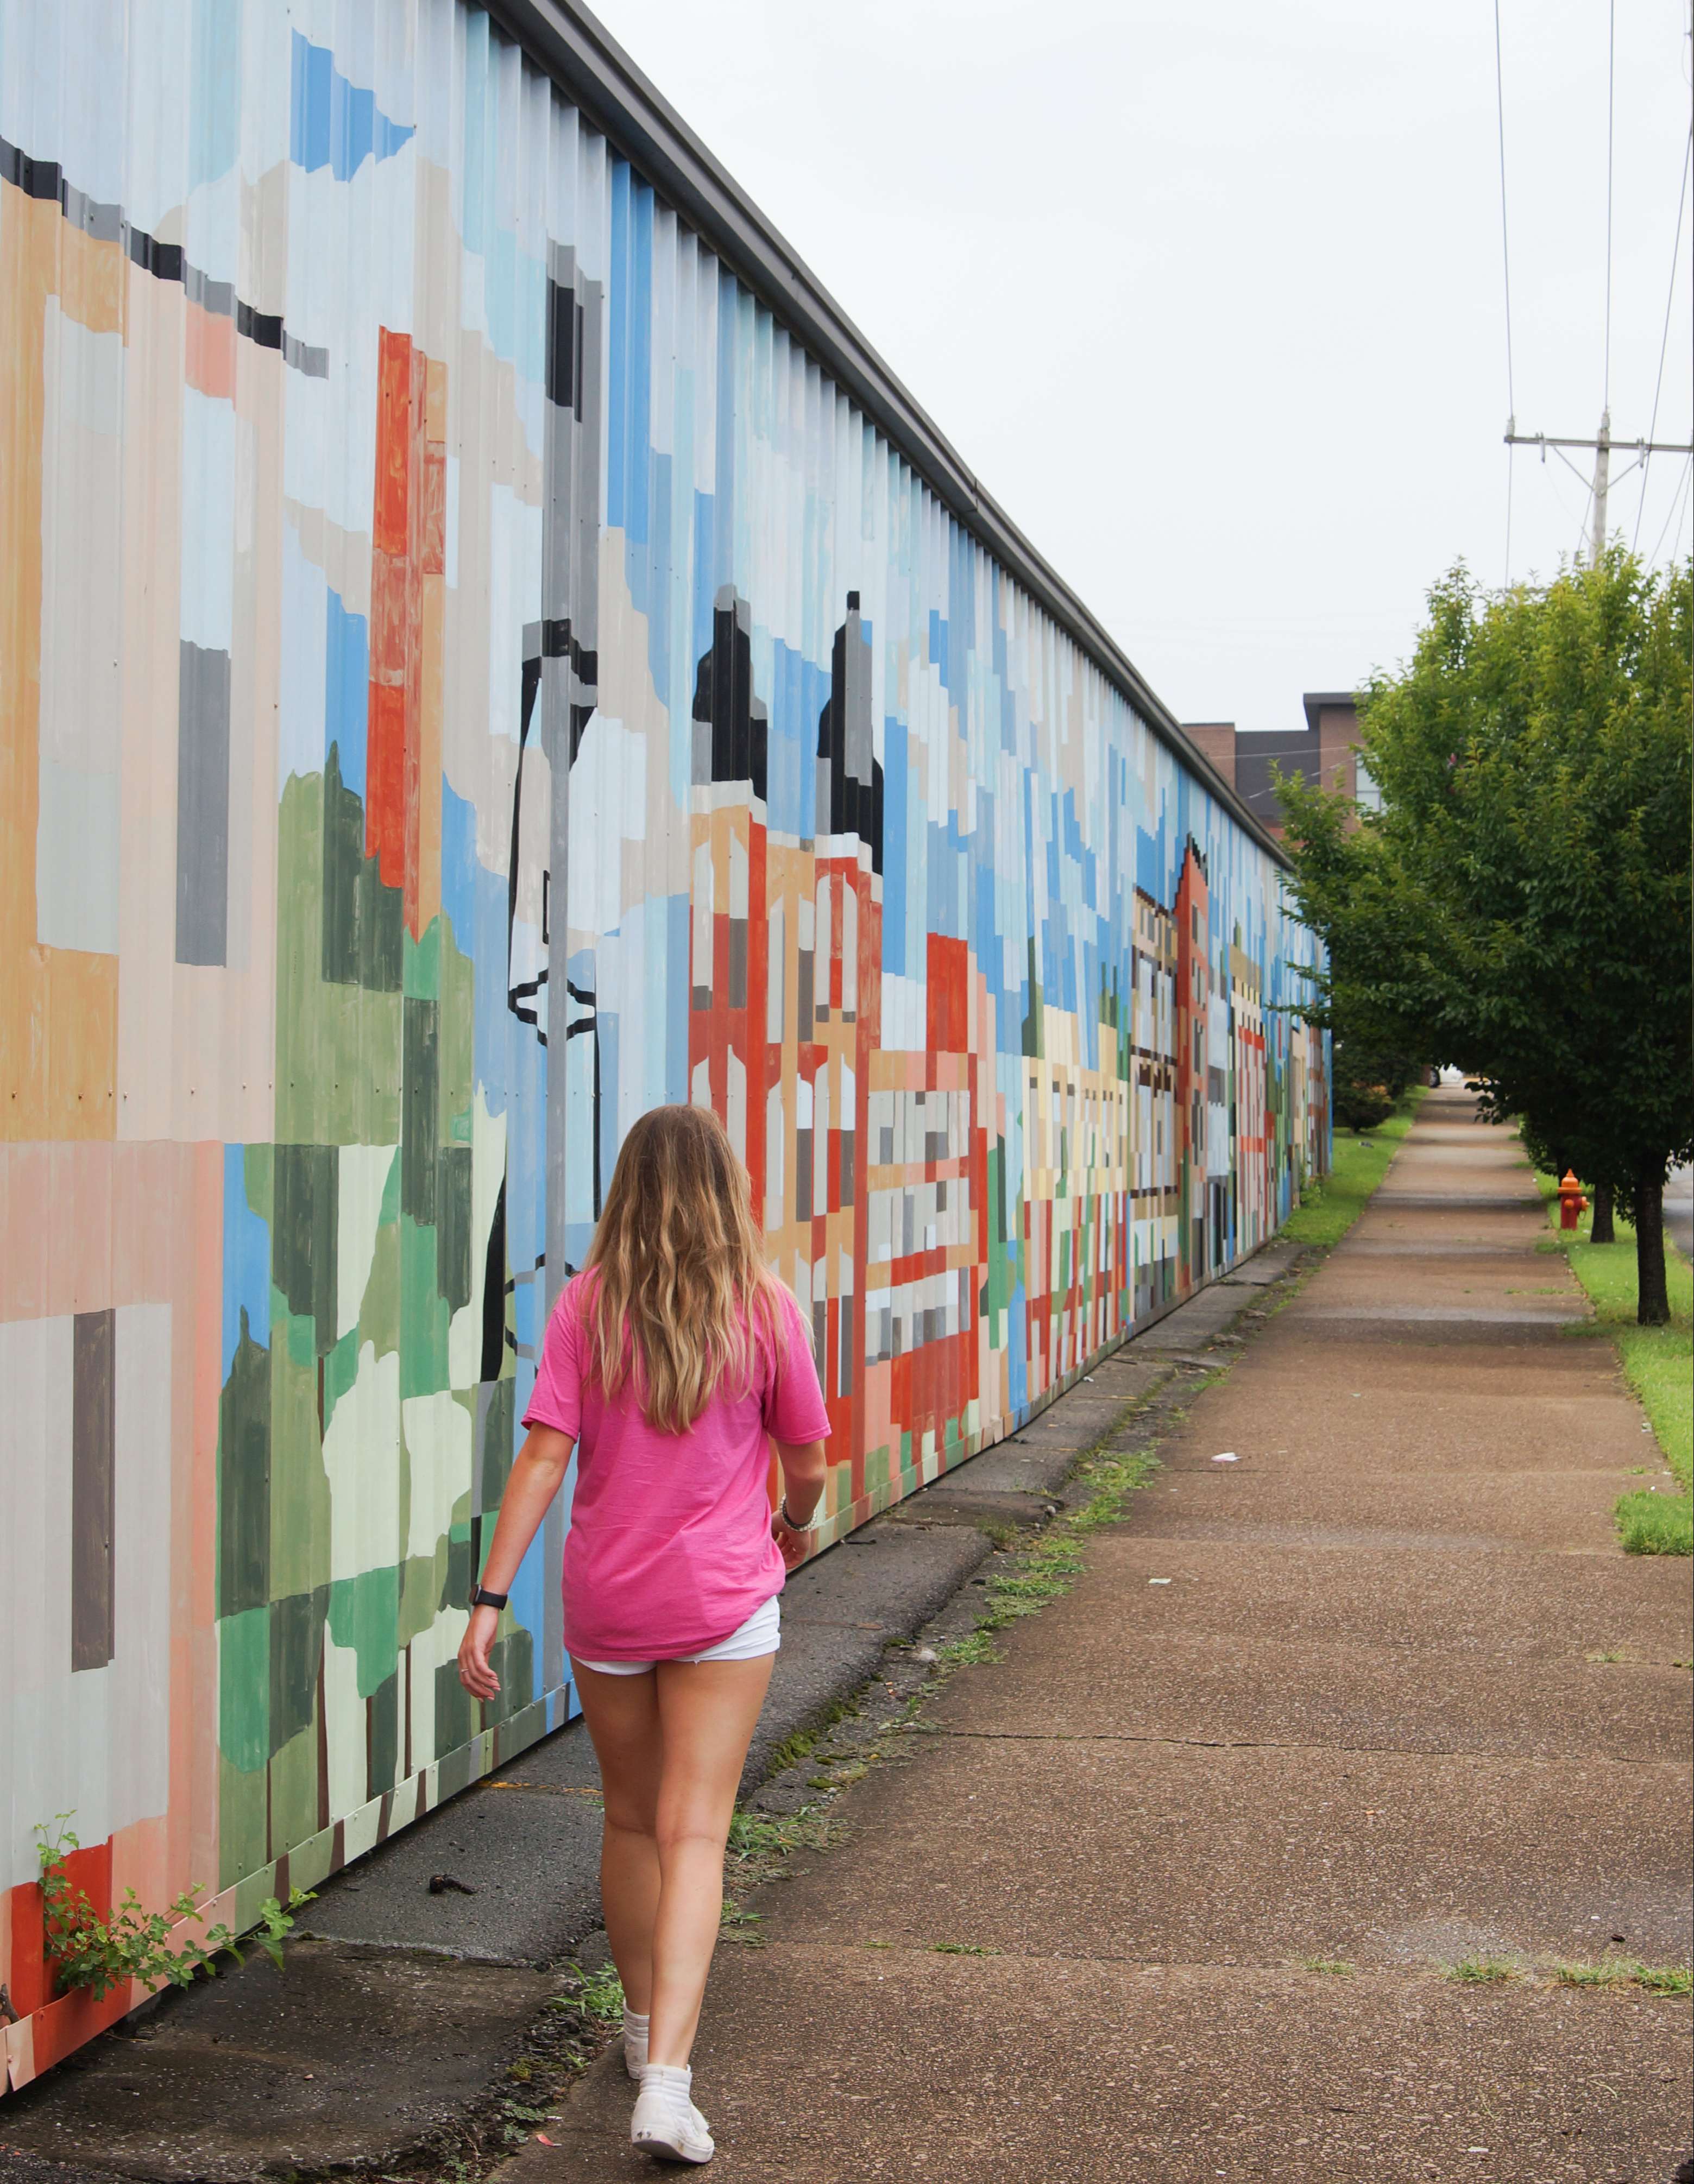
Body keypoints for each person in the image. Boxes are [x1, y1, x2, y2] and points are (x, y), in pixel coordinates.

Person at [457, 1103, 830, 2165]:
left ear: (628, 1191)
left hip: (611, 1605)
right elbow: (806, 1461)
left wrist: (489, 1599)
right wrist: (793, 1525)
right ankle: (667, 2081)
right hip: (722, 1604)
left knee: (629, 1822)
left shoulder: (585, 1307)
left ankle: (636, 2024)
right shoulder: (764, 1308)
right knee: (694, 1830)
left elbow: (541, 1457)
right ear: (727, 1190)